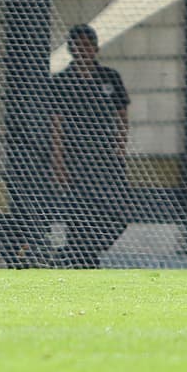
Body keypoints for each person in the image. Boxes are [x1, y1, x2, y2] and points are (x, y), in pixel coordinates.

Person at [48, 23, 131, 269]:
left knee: (119, 212)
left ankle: (78, 253)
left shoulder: (110, 77)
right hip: (76, 159)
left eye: (88, 45)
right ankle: (81, 263)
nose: (83, 50)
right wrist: (58, 162)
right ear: (71, 49)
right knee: (79, 214)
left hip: (106, 158)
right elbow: (56, 124)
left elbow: (122, 116)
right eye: (78, 45)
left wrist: (120, 148)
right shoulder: (62, 81)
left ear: (96, 48)